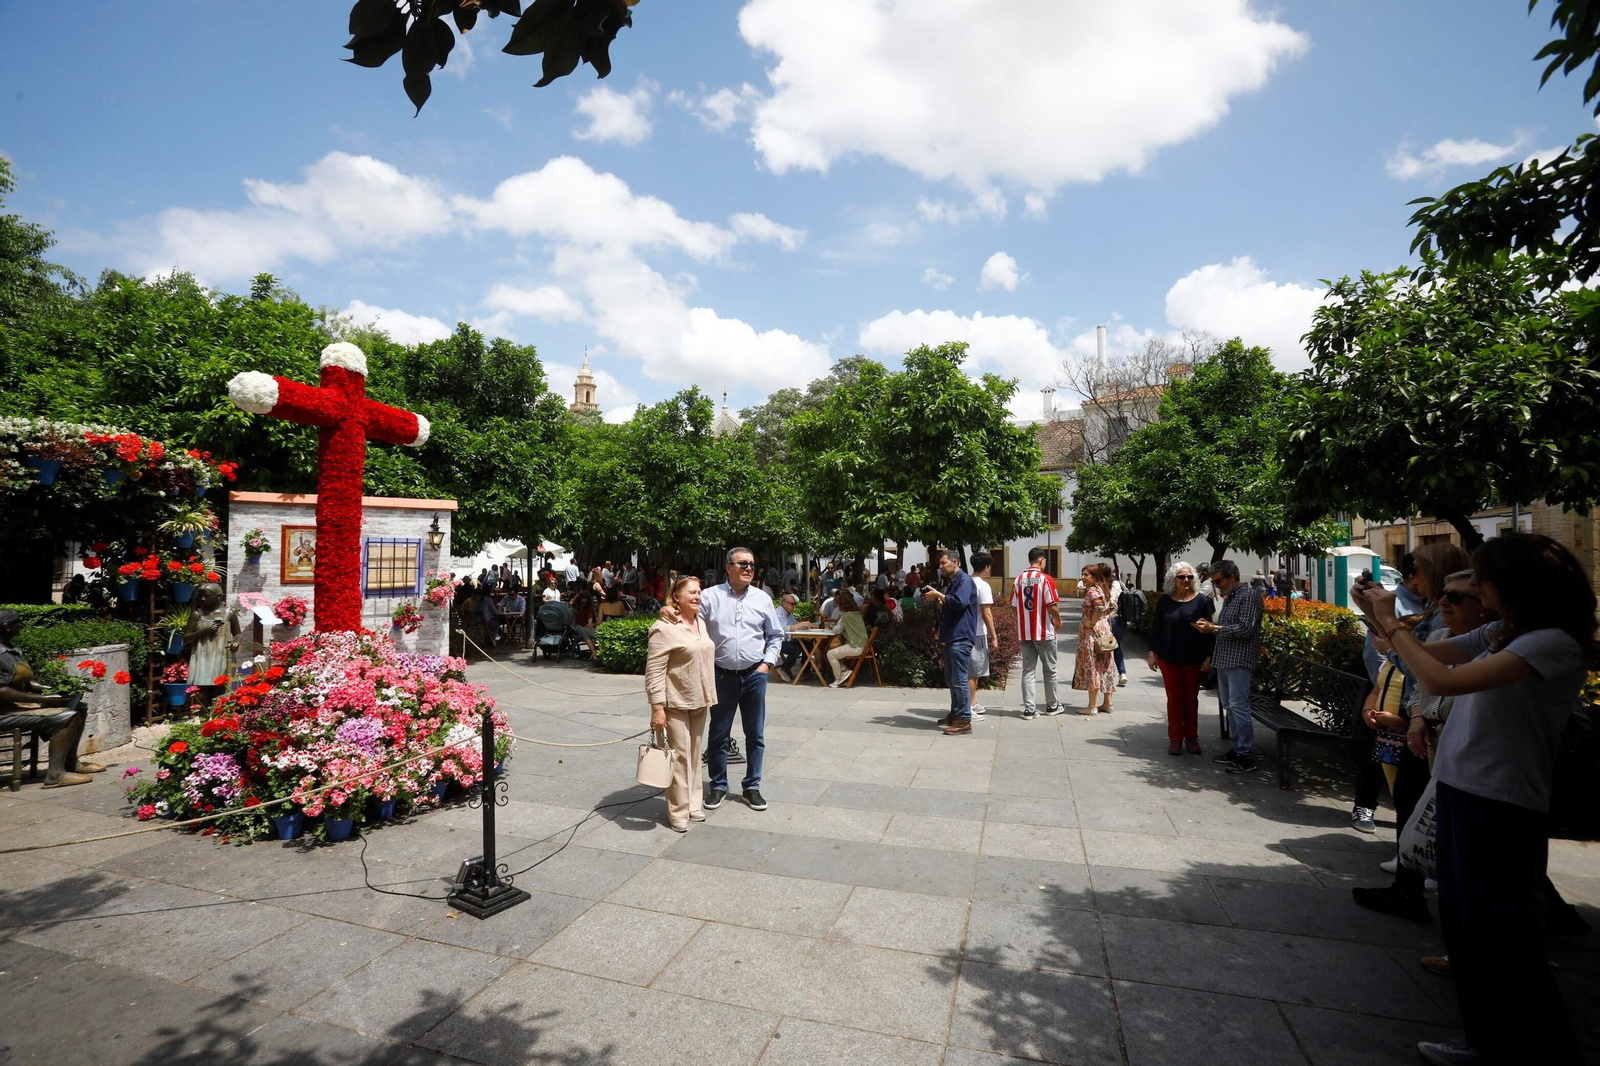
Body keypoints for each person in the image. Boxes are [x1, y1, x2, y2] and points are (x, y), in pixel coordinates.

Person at [1355, 535, 1590, 1066]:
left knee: (1506, 941)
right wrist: (1375, 615)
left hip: (1502, 802)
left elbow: (1439, 677)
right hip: (1463, 790)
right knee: (1467, 933)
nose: (1474, 592)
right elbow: (1410, 656)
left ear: (1516, 583)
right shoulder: (1503, 633)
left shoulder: (1550, 642)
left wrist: (1392, 622)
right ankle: (1485, 1042)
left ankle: (1540, 1050)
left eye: (1481, 581)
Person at [1351, 542, 1469, 835]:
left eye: (1416, 571)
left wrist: (1388, 625)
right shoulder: (1437, 613)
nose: (1411, 579)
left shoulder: (1444, 615)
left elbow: (1426, 670)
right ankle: (1411, 870)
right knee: (1408, 796)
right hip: (1420, 714)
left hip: (1437, 723)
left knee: (1414, 798)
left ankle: (1416, 872)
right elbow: (1415, 663)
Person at [697, 547, 783, 811]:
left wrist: (768, 663)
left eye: (752, 565)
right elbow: (691, 627)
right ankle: (719, 785)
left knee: (755, 734)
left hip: (754, 675)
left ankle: (752, 787)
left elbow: (775, 635)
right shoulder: (709, 597)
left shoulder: (762, 598)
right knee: (718, 734)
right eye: (743, 564)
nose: (749, 569)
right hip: (721, 676)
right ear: (728, 567)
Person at [0, 609, 109, 788]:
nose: (21, 625)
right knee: (67, 717)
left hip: (18, 706)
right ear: (6, 627)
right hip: (5, 711)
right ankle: (55, 775)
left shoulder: (13, 651)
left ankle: (70, 762)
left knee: (78, 707)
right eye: (17, 622)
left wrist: (56, 691)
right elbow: (2, 692)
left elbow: (28, 682)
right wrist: (47, 700)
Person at [645, 576, 717, 832]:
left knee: (695, 755)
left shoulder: (700, 623)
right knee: (679, 757)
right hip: (674, 702)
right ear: (676, 596)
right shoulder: (663, 628)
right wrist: (657, 707)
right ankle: (677, 811)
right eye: (692, 593)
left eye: (699, 593)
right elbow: (653, 671)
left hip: (700, 699)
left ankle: (693, 804)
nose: (698, 597)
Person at [1191, 560, 1262, 773]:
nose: (1217, 585)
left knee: (1238, 706)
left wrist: (1214, 628)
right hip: (1225, 659)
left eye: (1219, 580)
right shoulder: (1232, 596)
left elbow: (1245, 629)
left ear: (1232, 576)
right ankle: (1238, 748)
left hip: (1239, 660)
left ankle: (1246, 755)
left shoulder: (1248, 596)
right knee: (1230, 706)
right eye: (1214, 581)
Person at [1146, 562, 1214, 755]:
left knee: (1191, 698)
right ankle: (1175, 737)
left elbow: (1209, 631)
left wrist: (1208, 657)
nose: (1186, 580)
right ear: (1172, 579)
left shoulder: (1201, 601)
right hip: (1169, 657)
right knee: (1174, 699)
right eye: (1182, 577)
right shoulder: (1165, 601)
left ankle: (1192, 736)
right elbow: (1157, 628)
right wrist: (1152, 653)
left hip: (1194, 657)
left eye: (1190, 577)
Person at [923, 549, 979, 736]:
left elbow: (960, 602)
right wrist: (942, 601)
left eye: (943, 563)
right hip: (952, 635)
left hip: (960, 636)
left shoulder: (964, 580)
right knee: (952, 678)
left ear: (955, 562)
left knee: (960, 678)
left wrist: (939, 596)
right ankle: (956, 714)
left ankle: (964, 720)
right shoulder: (955, 581)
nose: (941, 567)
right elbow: (953, 604)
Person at [1011, 547, 1064, 720]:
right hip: (1044, 633)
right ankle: (1052, 705)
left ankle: (1029, 709)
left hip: (1025, 632)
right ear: (1041, 561)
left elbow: (1013, 606)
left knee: (1028, 671)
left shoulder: (1018, 579)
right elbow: (1052, 605)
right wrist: (1058, 620)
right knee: (1050, 670)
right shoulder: (1045, 579)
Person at [1072, 564, 1118, 715]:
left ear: (1095, 577)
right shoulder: (1102, 589)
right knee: (1106, 665)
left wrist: (1092, 622)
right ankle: (1107, 703)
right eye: (1083, 574)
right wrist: (1103, 620)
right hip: (1104, 631)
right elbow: (1112, 607)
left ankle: (1092, 706)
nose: (1083, 578)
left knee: (1093, 666)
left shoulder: (1092, 590)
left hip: (1092, 633)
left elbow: (1098, 608)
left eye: (1086, 575)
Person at [965, 552, 998, 717]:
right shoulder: (983, 586)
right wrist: (994, 636)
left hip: (964, 631)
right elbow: (986, 612)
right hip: (977, 632)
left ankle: (971, 702)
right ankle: (968, 707)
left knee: (969, 671)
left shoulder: (965, 582)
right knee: (973, 671)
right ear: (986, 567)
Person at [826, 592, 870, 688]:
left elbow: (836, 630)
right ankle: (844, 671)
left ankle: (838, 678)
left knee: (830, 654)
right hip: (863, 645)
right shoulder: (856, 614)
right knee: (834, 652)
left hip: (856, 646)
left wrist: (833, 626)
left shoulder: (846, 616)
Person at [775, 592, 807, 682]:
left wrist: (806, 626)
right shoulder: (779, 613)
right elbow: (784, 629)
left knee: (807, 644)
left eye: (795, 604)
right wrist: (802, 624)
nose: (794, 607)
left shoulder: (789, 614)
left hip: (787, 640)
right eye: (792, 604)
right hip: (777, 641)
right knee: (795, 649)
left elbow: (795, 625)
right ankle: (784, 668)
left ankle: (805, 671)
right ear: (784, 603)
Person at [1107, 570, 1129, 686]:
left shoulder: (1105, 586)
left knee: (1105, 647)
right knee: (1117, 646)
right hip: (1122, 620)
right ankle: (1122, 673)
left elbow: (1112, 604)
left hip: (1111, 619)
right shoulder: (1120, 584)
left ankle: (1108, 675)